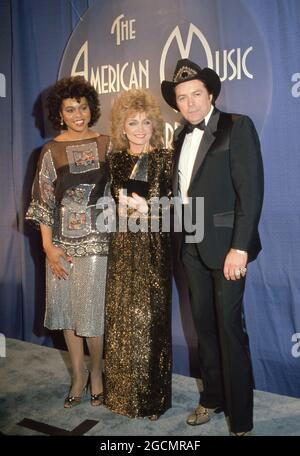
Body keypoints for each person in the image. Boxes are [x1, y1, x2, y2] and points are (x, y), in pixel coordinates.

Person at [161, 59, 264, 435]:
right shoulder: (177, 137)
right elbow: (183, 197)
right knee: (203, 328)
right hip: (189, 247)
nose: (189, 104)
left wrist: (240, 248)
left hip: (227, 250)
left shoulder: (237, 127)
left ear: (211, 94)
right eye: (182, 98)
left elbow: (250, 194)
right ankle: (213, 398)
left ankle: (242, 418)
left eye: (196, 95)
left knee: (229, 330)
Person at [26, 76, 110, 408]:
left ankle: (97, 374)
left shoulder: (107, 143)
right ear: (60, 113)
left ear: (92, 109)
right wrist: (48, 247)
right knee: (66, 314)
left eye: (83, 107)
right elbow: (43, 202)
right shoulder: (50, 150)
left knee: (90, 315)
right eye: (70, 109)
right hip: (60, 244)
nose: (78, 115)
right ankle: (78, 376)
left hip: (98, 244)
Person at [104, 88, 173, 420]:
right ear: (122, 126)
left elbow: (177, 209)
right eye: (133, 122)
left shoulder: (164, 158)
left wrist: (150, 209)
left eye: (146, 122)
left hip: (153, 248)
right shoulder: (115, 159)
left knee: (152, 322)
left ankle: (153, 399)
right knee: (122, 321)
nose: (140, 129)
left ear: (154, 124)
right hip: (122, 247)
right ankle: (120, 394)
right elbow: (107, 209)